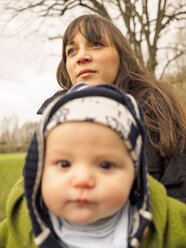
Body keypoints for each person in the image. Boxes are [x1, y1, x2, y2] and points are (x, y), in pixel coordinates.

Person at [1, 83, 186, 248]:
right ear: (39, 171)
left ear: (135, 174)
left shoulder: (170, 223)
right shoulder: (16, 228)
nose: (82, 180)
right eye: (64, 164)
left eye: (105, 165)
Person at [38, 14, 186, 203]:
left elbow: (180, 196)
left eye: (96, 44)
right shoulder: (52, 119)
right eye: (72, 51)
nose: (81, 57)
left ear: (121, 55)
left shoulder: (156, 107)